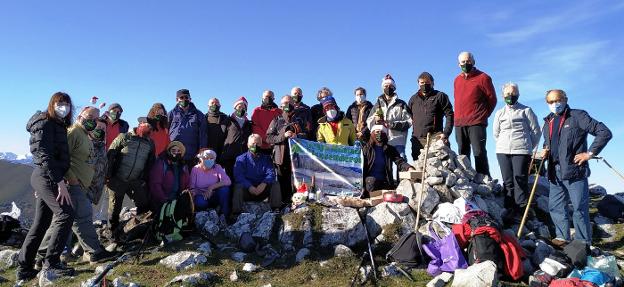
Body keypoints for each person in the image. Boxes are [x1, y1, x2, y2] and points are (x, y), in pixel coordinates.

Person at [38, 107, 115, 265]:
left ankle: (42, 254)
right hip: (73, 185)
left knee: (65, 220)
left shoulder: (84, 134)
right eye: (90, 117)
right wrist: (71, 178)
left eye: (96, 119)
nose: (93, 121)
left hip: (79, 185)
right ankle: (94, 252)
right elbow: (60, 156)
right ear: (80, 116)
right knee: (82, 218)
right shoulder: (73, 132)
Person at [541, 89, 612, 245]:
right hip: (554, 172)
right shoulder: (548, 122)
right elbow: (549, 143)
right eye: (550, 102)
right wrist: (545, 150)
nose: (555, 104)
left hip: (574, 171)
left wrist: (590, 153)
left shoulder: (578, 116)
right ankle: (562, 238)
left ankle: (583, 242)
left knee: (579, 209)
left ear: (565, 99)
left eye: (557, 100)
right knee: (556, 207)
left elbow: (604, 132)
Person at [18, 92, 75, 280]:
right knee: (66, 214)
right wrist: (59, 182)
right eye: (60, 103)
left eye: (67, 104)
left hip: (46, 176)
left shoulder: (57, 124)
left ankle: (24, 269)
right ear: (52, 104)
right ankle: (52, 263)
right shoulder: (45, 123)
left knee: (41, 223)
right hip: (47, 176)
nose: (64, 107)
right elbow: (44, 155)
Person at [492, 83, 541, 221]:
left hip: (522, 150)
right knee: (507, 181)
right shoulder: (499, 113)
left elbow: (536, 131)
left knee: (520, 179)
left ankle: (522, 209)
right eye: (507, 94)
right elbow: (496, 133)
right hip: (503, 150)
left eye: (513, 93)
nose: (510, 96)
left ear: (518, 94)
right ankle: (509, 208)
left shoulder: (526, 110)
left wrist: (528, 145)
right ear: (503, 96)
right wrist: (503, 144)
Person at [106, 118, 155, 233]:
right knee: (114, 209)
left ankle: (138, 229)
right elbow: (110, 154)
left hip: (136, 181)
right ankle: (112, 233)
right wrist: (108, 176)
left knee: (143, 204)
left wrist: (144, 179)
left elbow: (150, 162)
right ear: (139, 124)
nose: (148, 128)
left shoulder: (150, 143)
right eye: (145, 125)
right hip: (118, 179)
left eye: (150, 127)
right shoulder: (124, 137)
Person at [453, 51, 497, 176]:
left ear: (473, 61)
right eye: (463, 62)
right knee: (462, 154)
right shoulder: (457, 80)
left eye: (468, 61)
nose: (466, 63)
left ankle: (484, 181)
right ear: (458, 64)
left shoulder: (483, 77)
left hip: (477, 122)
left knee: (479, 153)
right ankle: (466, 180)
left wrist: (483, 115)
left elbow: (492, 99)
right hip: (459, 123)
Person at [266, 95, 309, 203]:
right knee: (282, 182)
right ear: (281, 106)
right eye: (284, 103)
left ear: (294, 104)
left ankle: (298, 203)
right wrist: (283, 136)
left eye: (289, 102)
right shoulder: (277, 120)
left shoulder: (301, 120)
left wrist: (297, 136)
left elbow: (308, 135)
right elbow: (268, 138)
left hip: (297, 157)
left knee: (298, 181)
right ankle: (283, 204)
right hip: (281, 157)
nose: (287, 105)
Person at [408, 72, 454, 161]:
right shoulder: (413, 99)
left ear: (432, 83)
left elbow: (450, 114)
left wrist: (446, 133)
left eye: (427, 83)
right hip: (418, 139)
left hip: (436, 137)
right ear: (418, 84)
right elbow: (408, 117)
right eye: (422, 83)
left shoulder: (440, 96)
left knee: (440, 166)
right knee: (419, 168)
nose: (424, 85)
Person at [232, 134, 282, 217]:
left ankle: (276, 209)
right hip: (248, 191)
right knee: (238, 187)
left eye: (258, 143)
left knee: (275, 184)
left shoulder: (266, 158)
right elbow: (238, 176)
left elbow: (271, 173)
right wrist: (249, 186)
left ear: (261, 144)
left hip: (262, 190)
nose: (255, 146)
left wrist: (263, 184)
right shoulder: (240, 159)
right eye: (252, 144)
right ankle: (236, 213)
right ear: (248, 145)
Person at [366, 74, 412, 158]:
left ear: (394, 87)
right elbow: (369, 121)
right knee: (385, 167)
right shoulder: (377, 104)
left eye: (390, 86)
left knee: (402, 162)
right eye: (386, 86)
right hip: (381, 142)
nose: (388, 87)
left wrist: (391, 125)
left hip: (398, 141)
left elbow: (409, 122)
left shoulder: (401, 104)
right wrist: (376, 124)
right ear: (383, 88)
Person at [362, 125, 413, 197]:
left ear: (385, 135)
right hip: (370, 182)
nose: (379, 134)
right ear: (372, 133)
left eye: (382, 132)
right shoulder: (366, 149)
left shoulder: (390, 149)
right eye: (377, 132)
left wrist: (409, 167)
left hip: (385, 182)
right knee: (372, 181)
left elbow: (399, 161)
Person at [168, 89, 207, 167]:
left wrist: (202, 149)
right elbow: (165, 131)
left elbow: (203, 133)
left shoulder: (198, 114)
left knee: (189, 178)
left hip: (191, 154)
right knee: (174, 177)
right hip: (174, 153)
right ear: (177, 100)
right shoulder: (171, 114)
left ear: (190, 99)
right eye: (181, 98)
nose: (184, 99)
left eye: (186, 97)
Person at [149, 141, 190, 211]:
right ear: (169, 151)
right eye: (173, 150)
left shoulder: (183, 166)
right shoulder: (161, 163)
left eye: (178, 151)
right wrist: (164, 200)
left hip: (177, 199)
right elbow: (155, 184)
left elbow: (187, 183)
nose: (176, 153)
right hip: (163, 200)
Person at [189, 149, 231, 217]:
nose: (209, 160)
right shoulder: (195, 169)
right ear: (201, 159)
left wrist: (211, 187)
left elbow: (228, 181)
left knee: (225, 190)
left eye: (211, 158)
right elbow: (192, 188)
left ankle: (225, 215)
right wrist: (201, 193)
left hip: (214, 195)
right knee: (200, 203)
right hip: (201, 196)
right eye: (206, 158)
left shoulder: (217, 167)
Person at [222, 97, 253, 178]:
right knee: (230, 178)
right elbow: (222, 136)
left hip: (244, 155)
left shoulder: (249, 123)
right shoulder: (228, 120)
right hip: (230, 156)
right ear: (235, 107)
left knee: (241, 178)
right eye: (239, 106)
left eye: (244, 107)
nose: (241, 108)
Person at [203, 98, 229, 163]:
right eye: (212, 103)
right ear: (208, 105)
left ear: (220, 105)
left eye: (216, 103)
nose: (214, 104)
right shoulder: (203, 118)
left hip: (222, 150)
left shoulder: (225, 118)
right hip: (208, 149)